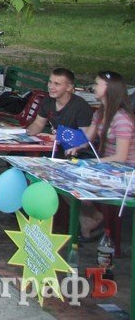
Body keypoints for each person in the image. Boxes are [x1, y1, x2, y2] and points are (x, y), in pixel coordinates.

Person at [65, 72, 133, 239]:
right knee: (63, 180)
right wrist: (75, 147)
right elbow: (87, 138)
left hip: (125, 173)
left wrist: (92, 162)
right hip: (107, 167)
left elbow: (121, 158)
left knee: (74, 180)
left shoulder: (123, 120)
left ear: (109, 89)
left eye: (97, 84)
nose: (93, 87)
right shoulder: (100, 113)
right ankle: (89, 217)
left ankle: (92, 217)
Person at [26, 67, 94, 156]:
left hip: (73, 151)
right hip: (54, 145)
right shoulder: (47, 100)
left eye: (57, 84)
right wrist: (26, 133)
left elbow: (84, 138)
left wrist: (56, 138)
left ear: (69, 87)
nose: (50, 87)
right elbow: (38, 123)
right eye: (50, 82)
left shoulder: (81, 106)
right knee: (16, 152)